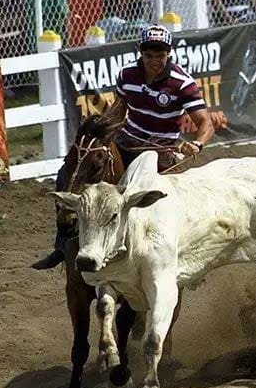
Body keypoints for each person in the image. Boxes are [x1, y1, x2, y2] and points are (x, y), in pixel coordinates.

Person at [32, 24, 216, 270]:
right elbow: (120, 110)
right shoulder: (127, 74)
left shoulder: (182, 83)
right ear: (141, 52)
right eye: (149, 55)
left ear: (168, 53)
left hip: (161, 153)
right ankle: (62, 244)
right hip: (126, 143)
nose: (154, 60)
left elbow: (206, 123)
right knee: (69, 172)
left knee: (153, 202)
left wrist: (196, 144)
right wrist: (103, 129)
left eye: (160, 55)